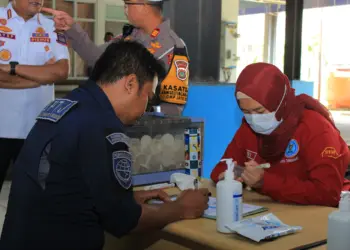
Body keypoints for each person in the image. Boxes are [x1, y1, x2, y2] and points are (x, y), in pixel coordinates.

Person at [0, 40, 209, 250]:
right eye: (148, 96)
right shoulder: (104, 126)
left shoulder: (67, 105)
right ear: (130, 84)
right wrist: (182, 208)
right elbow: (125, 220)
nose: (146, 107)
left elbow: (65, 187)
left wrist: (120, 196)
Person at [210, 63, 350, 207]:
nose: (253, 119)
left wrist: (266, 182)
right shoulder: (248, 127)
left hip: (316, 213)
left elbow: (327, 193)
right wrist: (230, 176)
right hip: (275, 210)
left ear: (279, 103)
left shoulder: (315, 128)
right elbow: (220, 168)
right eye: (246, 112)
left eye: (259, 111)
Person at [41, 0, 189, 116]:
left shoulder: (173, 47)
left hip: (144, 135)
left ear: (143, 6)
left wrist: (142, 120)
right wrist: (71, 28)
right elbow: (97, 58)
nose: (125, 10)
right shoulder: (128, 36)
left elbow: (172, 108)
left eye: (127, 4)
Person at [0, 0, 69, 193]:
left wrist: (12, 68)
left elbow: (61, 71)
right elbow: (50, 74)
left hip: (38, 131)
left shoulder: (52, 26)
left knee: (34, 202)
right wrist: (39, 77)